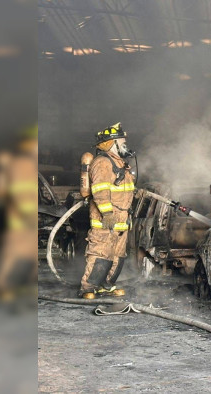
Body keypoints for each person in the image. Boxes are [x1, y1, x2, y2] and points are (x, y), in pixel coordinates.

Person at [78, 122, 136, 299]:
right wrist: (108, 213)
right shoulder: (102, 163)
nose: (125, 144)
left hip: (121, 218)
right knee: (101, 251)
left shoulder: (121, 164)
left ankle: (106, 284)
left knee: (117, 253)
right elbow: (100, 191)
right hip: (106, 218)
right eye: (121, 141)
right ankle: (88, 287)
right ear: (111, 144)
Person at [0, 125, 39, 302]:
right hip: (21, 219)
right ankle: (3, 288)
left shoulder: (29, 164)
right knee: (13, 254)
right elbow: (18, 191)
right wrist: (28, 214)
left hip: (29, 218)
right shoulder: (22, 164)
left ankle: (26, 287)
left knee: (31, 255)